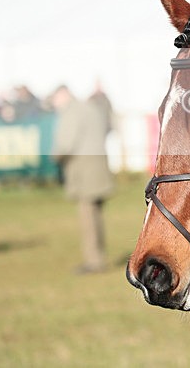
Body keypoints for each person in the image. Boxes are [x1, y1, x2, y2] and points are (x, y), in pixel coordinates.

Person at [51, 85, 114, 274]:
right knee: (95, 216)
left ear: (62, 95)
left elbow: (66, 144)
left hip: (84, 170)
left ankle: (94, 260)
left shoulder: (72, 111)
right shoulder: (90, 108)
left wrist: (54, 158)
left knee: (87, 217)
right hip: (99, 166)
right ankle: (98, 256)